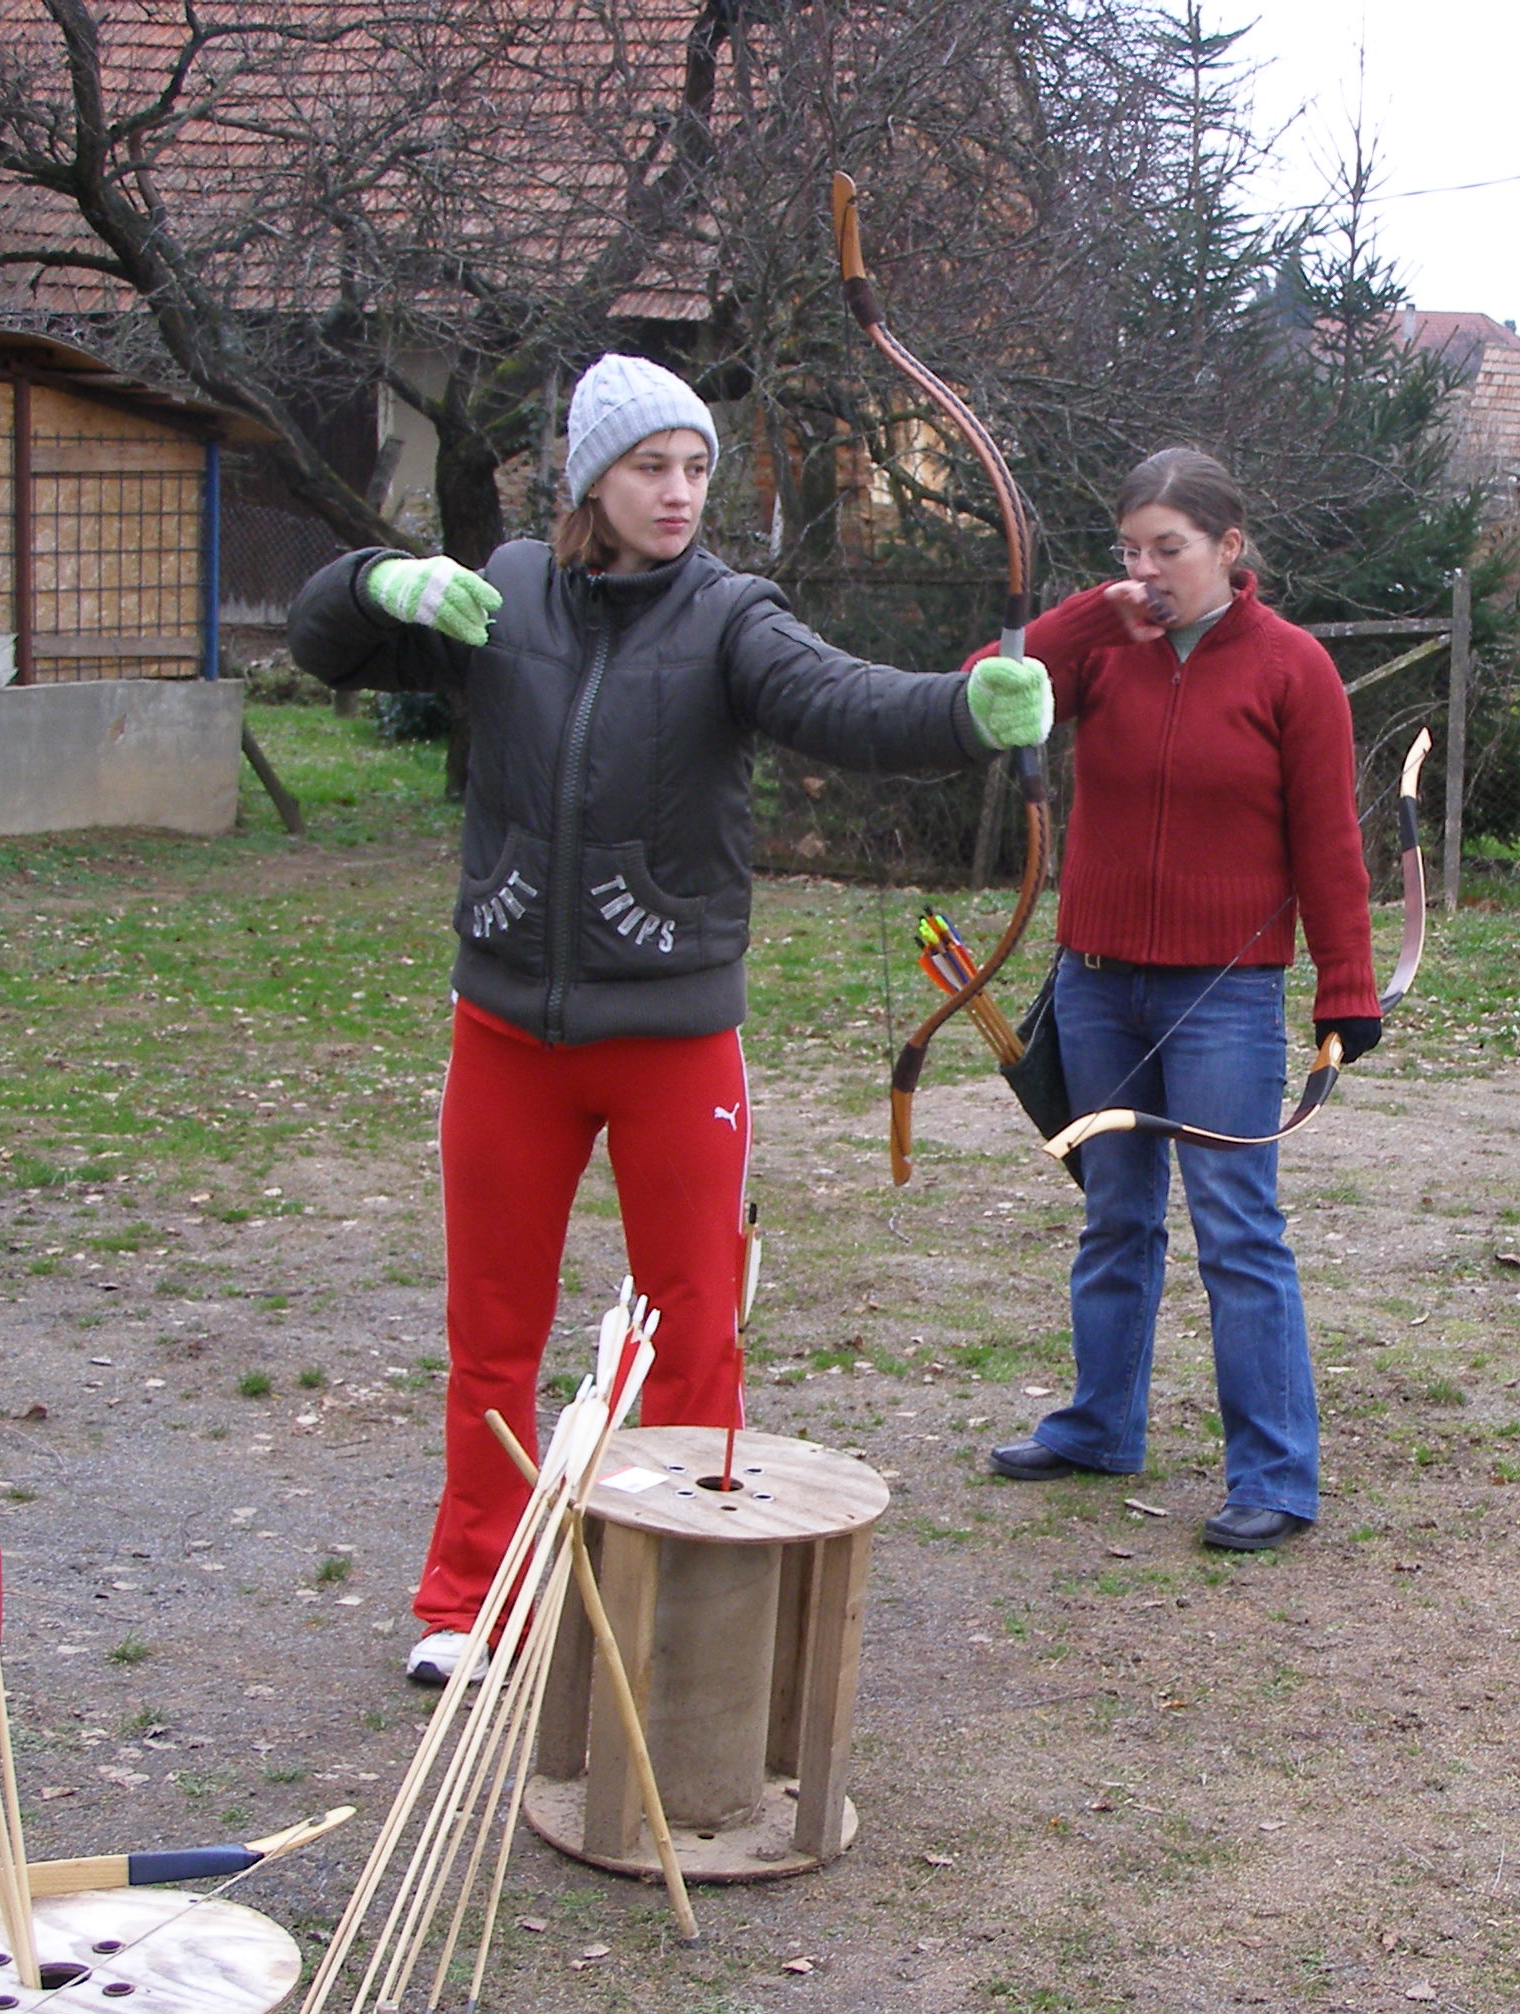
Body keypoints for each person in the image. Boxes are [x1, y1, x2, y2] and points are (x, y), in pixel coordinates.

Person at [288, 353, 1053, 1680]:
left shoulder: (729, 616)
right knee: (491, 1337)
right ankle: (470, 1601)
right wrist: (375, 582)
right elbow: (321, 646)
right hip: (507, 1034)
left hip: (674, 1042)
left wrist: (963, 709)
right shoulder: (504, 592)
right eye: (652, 466)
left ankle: (689, 1615)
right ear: (593, 477)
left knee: (693, 1334)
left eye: (696, 466)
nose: (681, 491)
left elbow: (843, 702)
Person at [982, 448, 1380, 1553]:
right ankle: (1099, 1426)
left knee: (1236, 1227)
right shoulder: (1105, 646)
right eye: (1131, 551)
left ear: (1228, 547)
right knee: (1113, 1214)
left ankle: (1275, 1476)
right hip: (1096, 983)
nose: (1148, 571)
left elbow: (1329, 845)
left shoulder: (1292, 668)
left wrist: (1345, 987)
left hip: (1225, 997)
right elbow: (991, 690)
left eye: (1170, 549)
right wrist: (1088, 615)